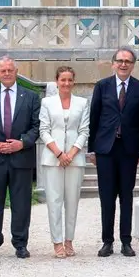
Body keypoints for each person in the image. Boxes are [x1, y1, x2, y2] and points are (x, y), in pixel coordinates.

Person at [88, 47, 139, 258]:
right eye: (120, 60)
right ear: (113, 63)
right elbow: (94, 119)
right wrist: (91, 150)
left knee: (126, 196)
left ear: (133, 64)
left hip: (129, 150)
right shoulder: (102, 86)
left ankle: (126, 241)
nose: (124, 64)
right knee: (106, 197)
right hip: (105, 149)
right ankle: (107, 241)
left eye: (128, 61)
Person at [0, 55, 41, 259]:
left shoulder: (30, 96)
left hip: (21, 158)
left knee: (21, 204)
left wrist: (22, 143)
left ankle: (20, 243)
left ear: (16, 71)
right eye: (2, 70)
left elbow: (37, 126)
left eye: (10, 70)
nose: (6, 73)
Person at [39, 66, 90, 258]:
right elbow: (44, 130)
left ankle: (69, 240)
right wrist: (59, 153)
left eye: (70, 80)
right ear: (57, 81)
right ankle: (57, 242)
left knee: (72, 201)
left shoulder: (82, 103)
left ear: (73, 81)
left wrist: (72, 152)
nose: (66, 83)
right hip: (53, 158)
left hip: (75, 159)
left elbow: (84, 130)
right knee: (54, 201)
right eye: (63, 80)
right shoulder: (47, 102)